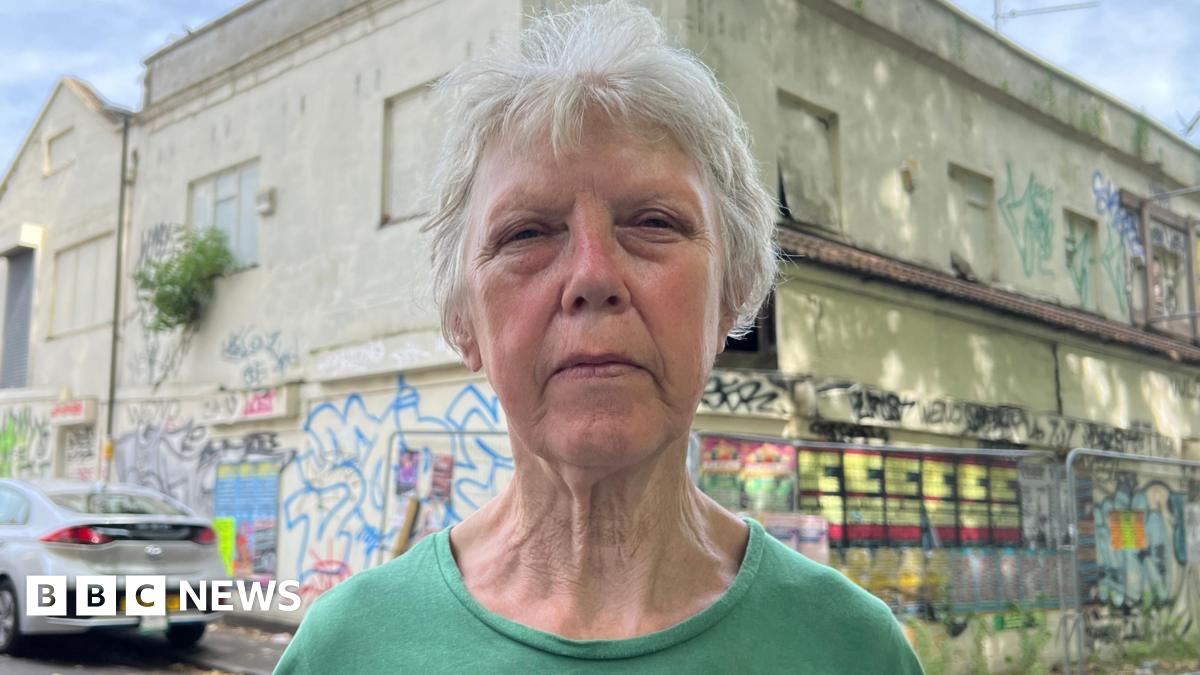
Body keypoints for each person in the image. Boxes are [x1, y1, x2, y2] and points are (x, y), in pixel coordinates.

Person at [275, 2, 924, 672]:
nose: (593, 275)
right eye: (526, 232)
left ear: (732, 293)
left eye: (653, 222)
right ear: (463, 320)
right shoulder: (347, 649)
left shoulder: (852, 648)